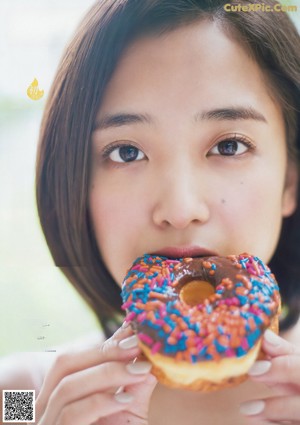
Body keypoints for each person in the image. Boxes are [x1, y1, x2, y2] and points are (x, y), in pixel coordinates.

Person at [1, 0, 300, 423]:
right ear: (76, 183)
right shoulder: (19, 396)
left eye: (229, 146)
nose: (179, 209)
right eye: (127, 152)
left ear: (291, 179)